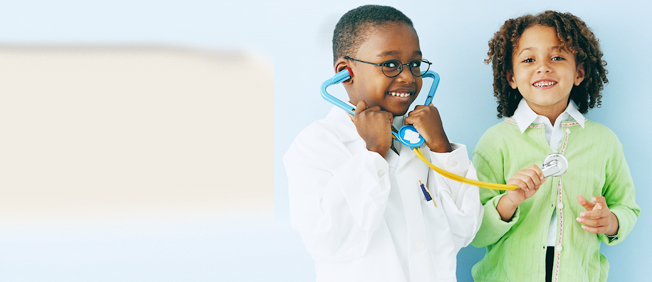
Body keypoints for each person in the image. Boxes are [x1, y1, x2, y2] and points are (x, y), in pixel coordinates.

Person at [284, 5, 482, 282]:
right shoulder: (315, 146)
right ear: (346, 72)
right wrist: (373, 154)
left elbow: (465, 229)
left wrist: (441, 148)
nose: (409, 77)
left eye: (415, 64)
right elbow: (329, 241)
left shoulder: (423, 142)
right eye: (390, 64)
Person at [470, 10, 641, 282]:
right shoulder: (496, 141)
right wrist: (509, 200)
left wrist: (611, 222)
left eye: (558, 57)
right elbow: (475, 233)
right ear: (511, 77)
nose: (543, 67)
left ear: (579, 72)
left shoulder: (604, 141)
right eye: (528, 59)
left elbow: (627, 208)